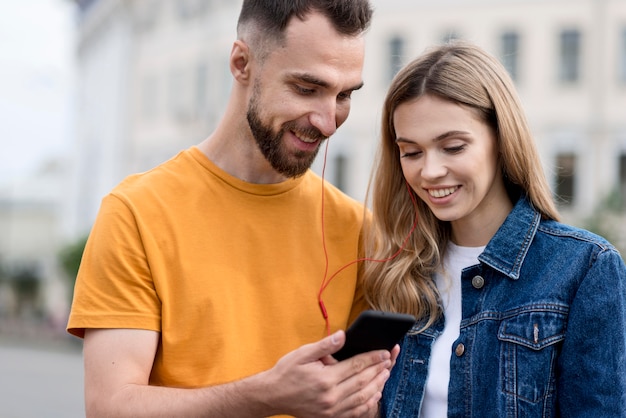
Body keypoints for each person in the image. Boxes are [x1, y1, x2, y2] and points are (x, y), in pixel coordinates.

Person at [67, 1, 399, 417]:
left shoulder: (357, 229)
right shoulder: (136, 214)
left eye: (344, 95)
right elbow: (110, 407)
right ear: (242, 63)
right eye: (307, 89)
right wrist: (263, 395)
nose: (328, 122)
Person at [362, 41, 626, 417]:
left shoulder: (585, 268)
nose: (430, 171)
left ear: (501, 140)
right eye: (412, 152)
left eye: (452, 147)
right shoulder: (394, 271)